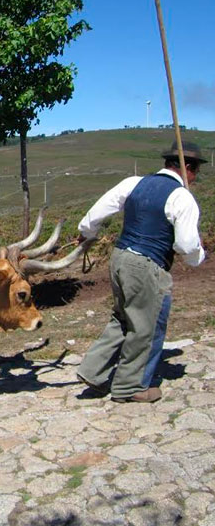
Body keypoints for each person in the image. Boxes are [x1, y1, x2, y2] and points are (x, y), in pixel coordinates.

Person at [76, 140, 206, 403]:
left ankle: (93, 370)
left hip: (120, 257)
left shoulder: (133, 182)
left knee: (122, 317)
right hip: (147, 266)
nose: (195, 177)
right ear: (188, 168)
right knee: (146, 326)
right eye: (196, 171)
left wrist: (86, 233)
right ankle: (130, 387)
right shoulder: (182, 197)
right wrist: (198, 257)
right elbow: (185, 245)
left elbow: (99, 210)